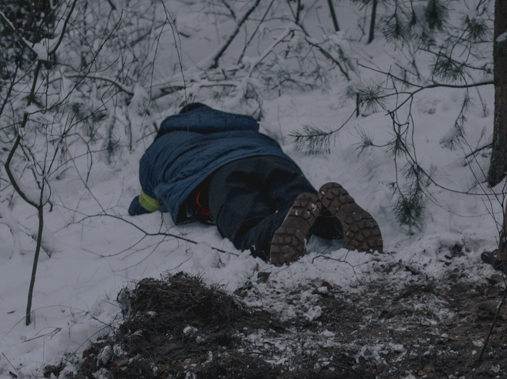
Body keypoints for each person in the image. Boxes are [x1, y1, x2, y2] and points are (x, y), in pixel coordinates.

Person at [133, 102, 384, 266]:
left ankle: (278, 227)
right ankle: (334, 218)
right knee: (304, 203)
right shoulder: (237, 124)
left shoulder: (162, 144)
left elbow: (149, 200)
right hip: (271, 158)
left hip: (219, 173)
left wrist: (137, 207)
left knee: (248, 224)